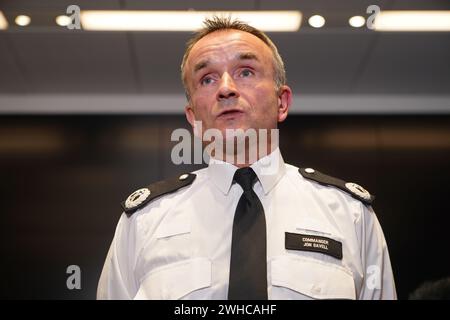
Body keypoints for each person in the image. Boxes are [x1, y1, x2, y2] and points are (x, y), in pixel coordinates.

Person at [97, 16, 397, 300]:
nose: (226, 89)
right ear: (193, 117)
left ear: (282, 102)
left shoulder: (351, 215)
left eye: (245, 72)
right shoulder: (144, 222)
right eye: (207, 79)